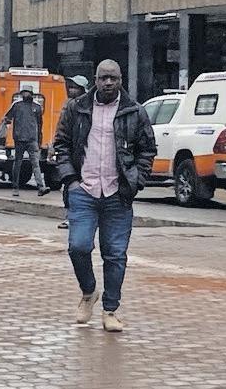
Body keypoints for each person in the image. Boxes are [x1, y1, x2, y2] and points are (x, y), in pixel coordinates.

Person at [52, 58, 157, 333]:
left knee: (115, 255)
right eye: (103, 78)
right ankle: (89, 292)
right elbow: (61, 144)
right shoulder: (76, 108)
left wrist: (136, 181)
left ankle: (110, 310)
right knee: (79, 246)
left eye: (113, 78)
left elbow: (148, 150)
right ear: (95, 80)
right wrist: (71, 181)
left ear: (121, 80)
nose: (108, 82)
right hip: (83, 191)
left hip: (117, 194)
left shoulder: (135, 111)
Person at [0, 88, 50, 198]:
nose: (26, 94)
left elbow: (40, 125)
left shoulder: (37, 107)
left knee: (35, 164)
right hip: (20, 139)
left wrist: (39, 139)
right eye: (24, 92)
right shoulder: (17, 106)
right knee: (18, 163)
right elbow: (7, 117)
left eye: (28, 92)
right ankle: (15, 187)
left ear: (31, 94)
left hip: (32, 139)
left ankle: (40, 187)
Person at [53, 77, 89, 229]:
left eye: (76, 87)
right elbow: (60, 131)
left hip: (86, 155)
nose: (72, 90)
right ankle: (70, 216)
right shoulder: (67, 106)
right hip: (70, 154)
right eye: (71, 87)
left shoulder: (89, 107)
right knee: (69, 186)